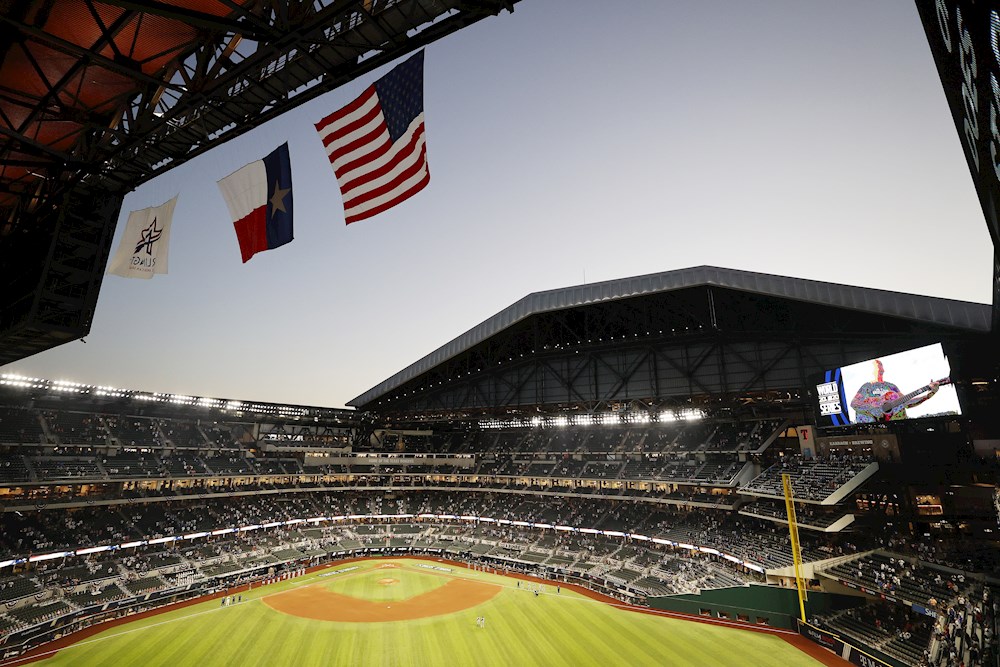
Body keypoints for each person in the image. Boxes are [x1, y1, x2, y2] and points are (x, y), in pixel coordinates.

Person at [850, 360, 940, 422]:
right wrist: (874, 406)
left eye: (881, 366)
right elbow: (854, 403)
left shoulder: (892, 387)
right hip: (872, 428)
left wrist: (930, 393)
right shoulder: (867, 386)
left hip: (896, 427)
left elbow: (907, 402)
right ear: (872, 371)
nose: (880, 369)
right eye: (877, 367)